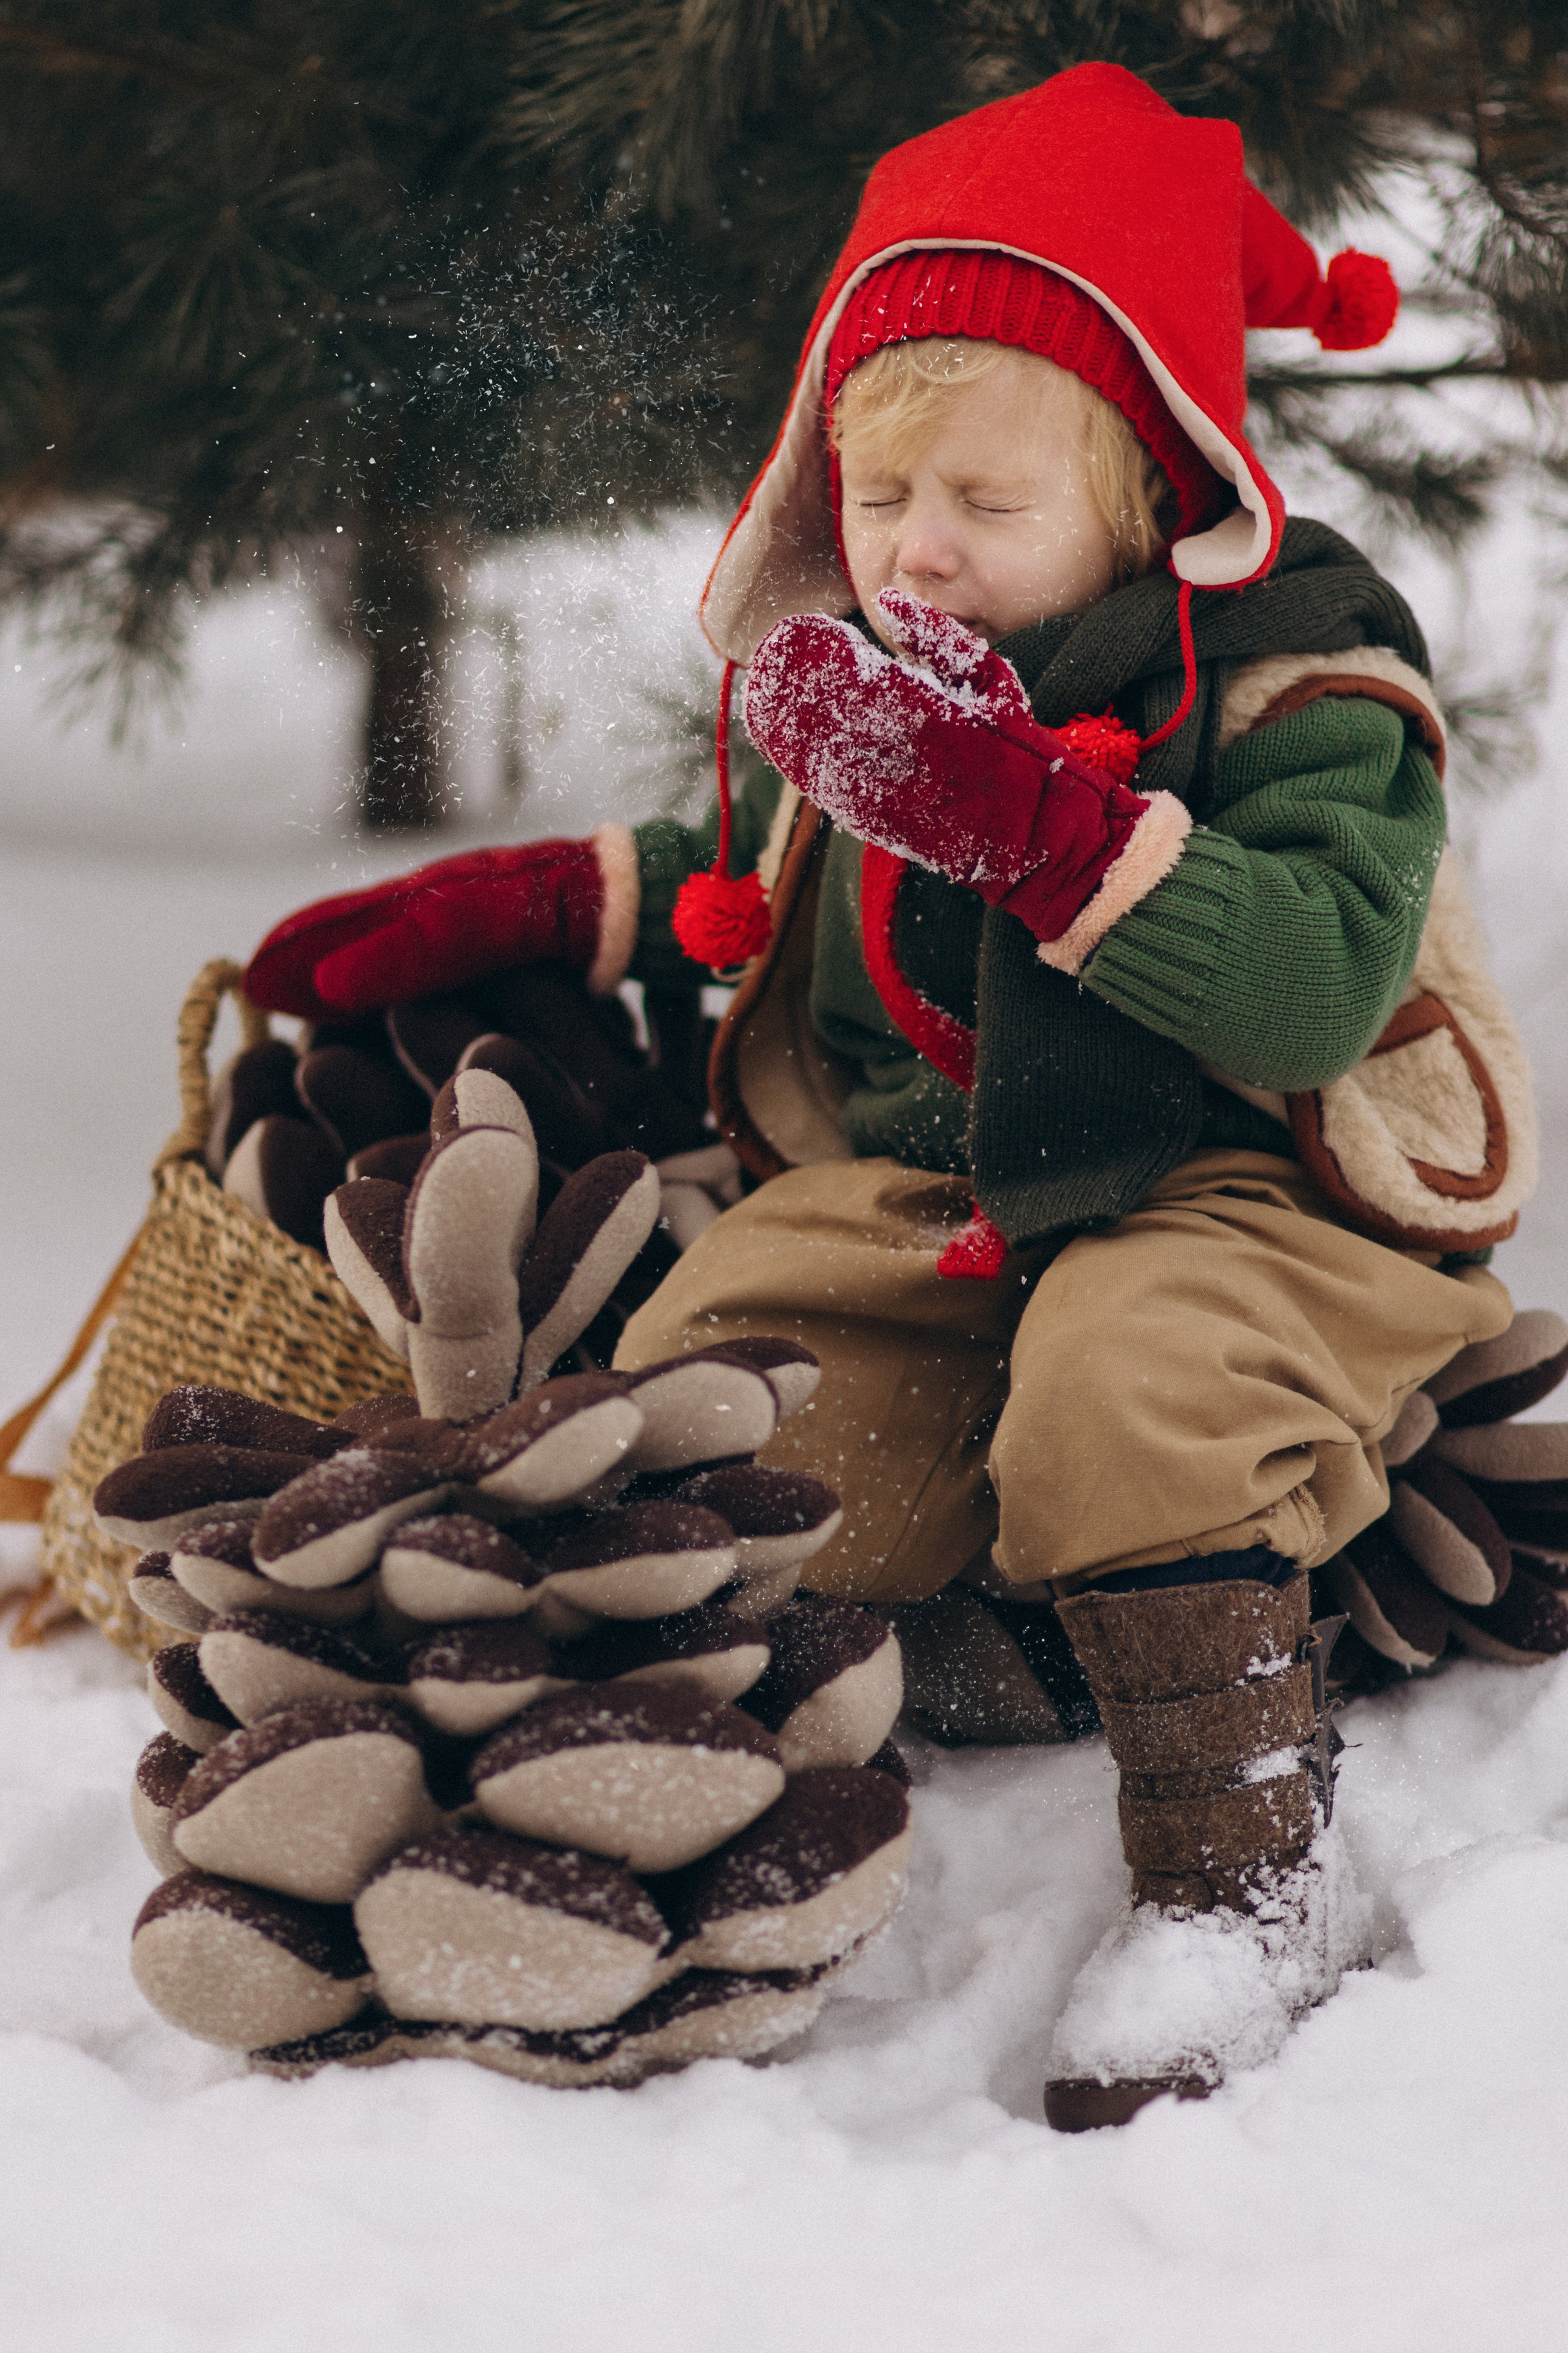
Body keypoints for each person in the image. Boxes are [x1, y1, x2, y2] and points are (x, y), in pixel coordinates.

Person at [246, 64, 1536, 2126]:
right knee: (715, 1394)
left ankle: (1237, 1876)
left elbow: (1308, 990)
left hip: (1244, 1182)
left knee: (1132, 1385)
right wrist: (563, 900)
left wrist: (1039, 832)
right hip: (941, 1187)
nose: (918, 551)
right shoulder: (884, 667)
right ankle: (737, 1758)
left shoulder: (1299, 684)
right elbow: (767, 870)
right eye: (880, 494)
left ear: (1151, 488)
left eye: (988, 506)